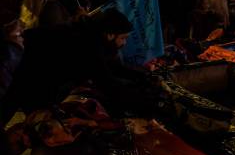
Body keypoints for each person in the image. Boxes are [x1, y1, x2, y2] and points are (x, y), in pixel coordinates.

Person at [3, 8, 150, 118]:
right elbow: (108, 83)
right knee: (24, 114)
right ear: (110, 34)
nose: (124, 43)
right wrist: (146, 106)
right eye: (123, 38)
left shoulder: (92, 35)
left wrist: (140, 76)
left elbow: (110, 66)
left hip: (37, 74)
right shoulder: (88, 44)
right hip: (30, 74)